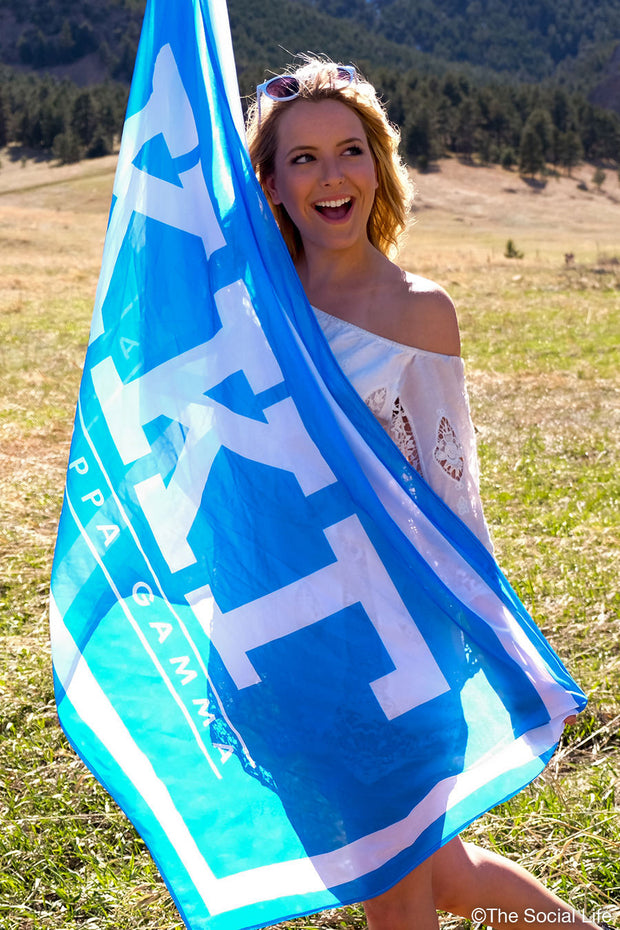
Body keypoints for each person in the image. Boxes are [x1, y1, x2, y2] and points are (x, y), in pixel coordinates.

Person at [245, 60, 600, 930]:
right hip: (289, 641)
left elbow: (451, 501)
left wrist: (470, 641)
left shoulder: (418, 311)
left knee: (396, 900)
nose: (332, 177)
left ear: (379, 165)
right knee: (434, 871)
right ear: (272, 184)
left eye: (351, 151)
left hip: (393, 651)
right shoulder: (252, 310)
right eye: (303, 159)